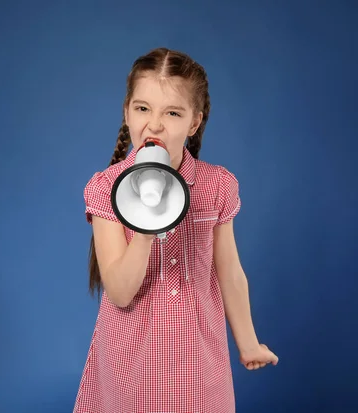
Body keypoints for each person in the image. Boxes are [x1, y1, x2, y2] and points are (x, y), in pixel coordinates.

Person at [73, 47, 279, 413]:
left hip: (198, 359)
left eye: (172, 113)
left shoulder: (216, 186)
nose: (154, 124)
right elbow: (119, 292)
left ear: (194, 123)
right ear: (126, 112)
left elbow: (230, 272)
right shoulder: (106, 188)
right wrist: (146, 220)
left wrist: (247, 342)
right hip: (131, 363)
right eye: (142, 108)